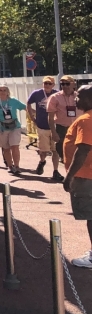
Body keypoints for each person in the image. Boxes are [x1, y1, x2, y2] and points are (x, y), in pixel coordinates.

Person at [62, 84, 92, 268]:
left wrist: (69, 176)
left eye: (79, 95)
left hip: (86, 176)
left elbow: (82, 150)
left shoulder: (86, 120)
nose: (75, 98)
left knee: (91, 216)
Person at [47, 75, 78, 183]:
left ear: (73, 84)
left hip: (77, 128)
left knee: (79, 152)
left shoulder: (80, 96)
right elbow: (50, 118)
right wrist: (53, 132)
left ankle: (75, 176)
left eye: (67, 83)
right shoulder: (55, 97)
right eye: (62, 84)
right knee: (63, 154)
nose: (64, 86)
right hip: (61, 128)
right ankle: (68, 174)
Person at [27, 76, 59, 177]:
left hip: (55, 126)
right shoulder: (37, 93)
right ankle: (42, 161)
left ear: (53, 85)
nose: (47, 85)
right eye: (45, 83)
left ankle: (55, 171)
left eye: (49, 83)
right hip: (41, 125)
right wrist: (32, 117)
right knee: (43, 150)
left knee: (55, 150)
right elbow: (28, 103)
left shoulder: (57, 94)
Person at [0, 85, 26, 175]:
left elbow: (25, 108)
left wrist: (36, 114)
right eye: (1, 90)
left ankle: (17, 166)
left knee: (15, 146)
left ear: (8, 91)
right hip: (1, 127)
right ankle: (10, 166)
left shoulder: (13, 101)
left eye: (5, 90)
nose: (3, 92)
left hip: (14, 126)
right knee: (6, 148)